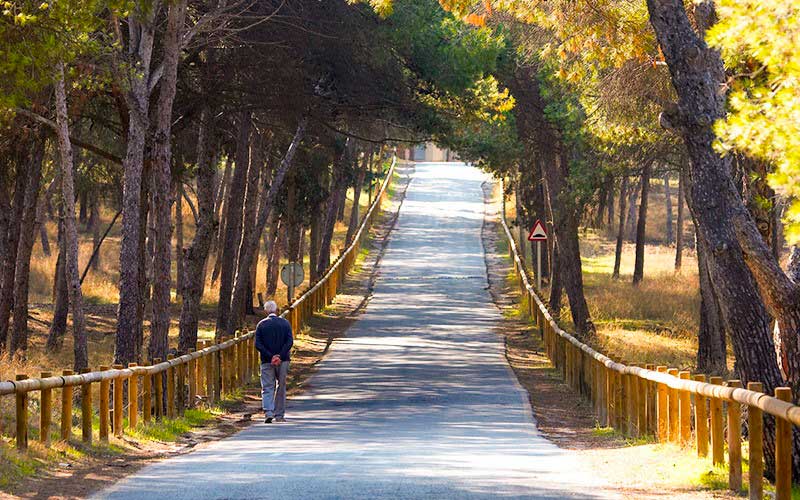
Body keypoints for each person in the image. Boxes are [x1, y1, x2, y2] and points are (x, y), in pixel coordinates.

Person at [255, 300, 293, 423]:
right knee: (281, 386)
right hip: (283, 360)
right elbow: (289, 342)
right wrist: (280, 356)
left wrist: (271, 356)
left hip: (267, 361)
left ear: (266, 311)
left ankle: (268, 412)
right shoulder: (285, 323)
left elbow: (258, 344)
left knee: (267, 386)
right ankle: (279, 414)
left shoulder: (261, 325)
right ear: (276, 310)